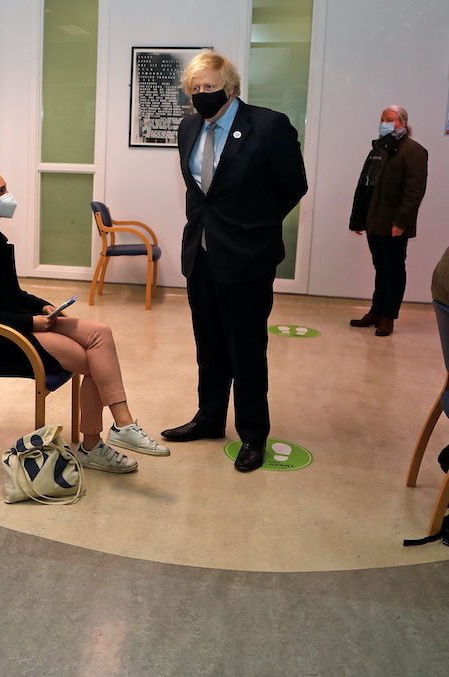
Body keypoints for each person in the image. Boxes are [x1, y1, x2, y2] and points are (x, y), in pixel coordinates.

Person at [0, 167, 170, 476]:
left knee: (100, 334)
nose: (8, 196)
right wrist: (30, 322)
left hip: (19, 325)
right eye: (0, 191)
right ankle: (94, 444)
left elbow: (11, 292)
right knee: (91, 361)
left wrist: (43, 307)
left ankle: (123, 424)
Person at [162, 51, 307, 472]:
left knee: (246, 349)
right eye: (195, 89)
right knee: (208, 344)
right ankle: (209, 418)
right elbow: (200, 191)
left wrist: (255, 224)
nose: (202, 95)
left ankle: (253, 433)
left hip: (248, 257)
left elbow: (293, 185)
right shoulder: (189, 126)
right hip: (202, 254)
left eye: (209, 87)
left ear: (230, 86)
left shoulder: (268, 125)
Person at [348, 105, 428, 336]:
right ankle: (375, 311)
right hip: (375, 220)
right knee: (381, 268)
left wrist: (401, 222)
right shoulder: (380, 148)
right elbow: (366, 186)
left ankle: (387, 317)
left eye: (390, 119)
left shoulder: (413, 151)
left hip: (393, 223)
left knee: (393, 270)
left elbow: (414, 192)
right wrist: (359, 220)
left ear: (402, 123)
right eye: (382, 118)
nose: (384, 122)